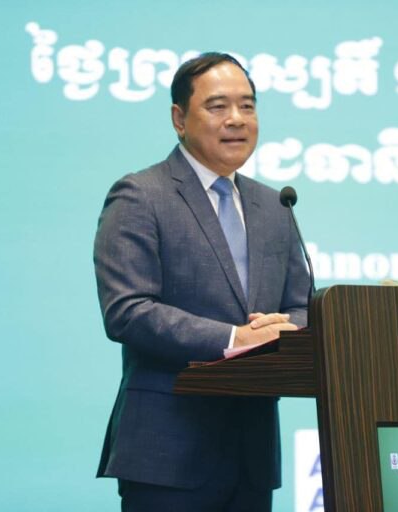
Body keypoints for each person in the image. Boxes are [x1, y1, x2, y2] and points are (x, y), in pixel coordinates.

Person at [93, 52, 310, 511]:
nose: (237, 119)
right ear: (179, 119)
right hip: (167, 452)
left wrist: (285, 328)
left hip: (251, 454)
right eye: (217, 106)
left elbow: (302, 305)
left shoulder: (275, 206)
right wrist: (235, 338)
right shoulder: (141, 195)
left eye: (247, 106)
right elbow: (127, 311)